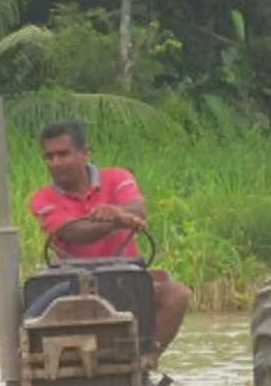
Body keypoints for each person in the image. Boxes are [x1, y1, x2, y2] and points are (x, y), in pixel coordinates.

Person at [28, 119, 190, 366]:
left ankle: (147, 358)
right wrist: (119, 219)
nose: (56, 163)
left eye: (63, 154)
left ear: (84, 153)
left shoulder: (116, 177)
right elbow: (74, 232)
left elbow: (138, 209)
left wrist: (115, 212)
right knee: (28, 309)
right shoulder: (41, 198)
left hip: (127, 284)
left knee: (177, 295)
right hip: (72, 292)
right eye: (49, 157)